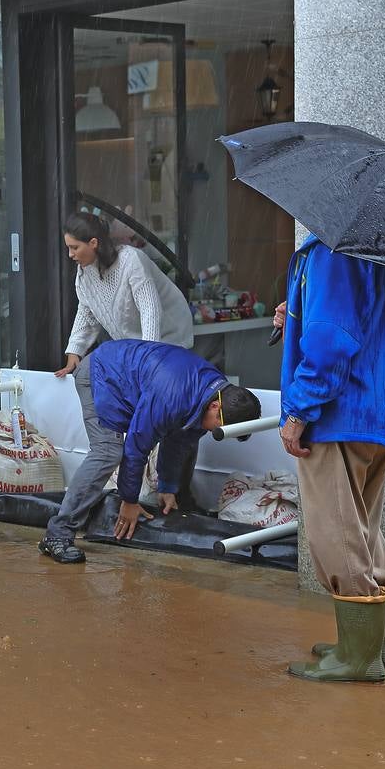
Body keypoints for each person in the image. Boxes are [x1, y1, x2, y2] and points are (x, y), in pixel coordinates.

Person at [276, 236, 385, 684]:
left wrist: (298, 411)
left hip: (341, 411)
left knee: (335, 530)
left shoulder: (333, 250)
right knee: (361, 522)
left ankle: (356, 656)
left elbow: (331, 338)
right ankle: (375, 643)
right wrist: (297, 308)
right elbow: (367, 318)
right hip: (381, 407)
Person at [38, 339, 261, 563]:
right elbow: (136, 445)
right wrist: (129, 500)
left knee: (189, 438)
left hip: (128, 377)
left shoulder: (212, 393)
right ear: (216, 406)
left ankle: (177, 499)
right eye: (217, 426)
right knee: (107, 452)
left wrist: (167, 487)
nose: (212, 430)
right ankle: (58, 534)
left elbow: (179, 441)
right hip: (102, 374)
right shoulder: (172, 396)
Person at [54, 212, 201, 515]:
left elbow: (150, 310)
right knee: (152, 420)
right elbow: (87, 313)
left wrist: (148, 362)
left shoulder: (131, 260)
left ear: (93, 243)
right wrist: (74, 354)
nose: (70, 255)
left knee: (179, 417)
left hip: (168, 341)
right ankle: (155, 492)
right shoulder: (84, 274)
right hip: (136, 350)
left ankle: (177, 493)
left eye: (74, 248)